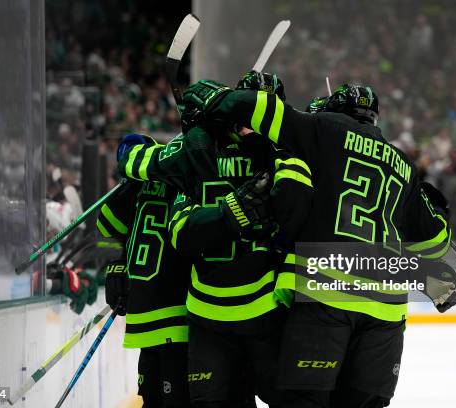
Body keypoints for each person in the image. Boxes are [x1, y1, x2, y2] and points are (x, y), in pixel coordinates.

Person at [183, 81, 456, 407]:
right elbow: (434, 244)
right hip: (386, 309)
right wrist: (435, 207)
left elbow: (264, 109)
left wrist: (220, 100)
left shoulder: (323, 129)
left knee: (304, 402)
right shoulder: (402, 164)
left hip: (325, 290)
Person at [117, 72, 313, 407]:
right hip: (242, 313)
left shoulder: (193, 148)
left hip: (219, 313)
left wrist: (136, 144)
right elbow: (181, 233)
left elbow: (133, 162)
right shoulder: (289, 155)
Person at [97, 134, 192, 407]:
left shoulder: (142, 185)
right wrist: (118, 263)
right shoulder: (179, 176)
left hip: (154, 314)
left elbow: (107, 225)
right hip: (171, 314)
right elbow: (108, 227)